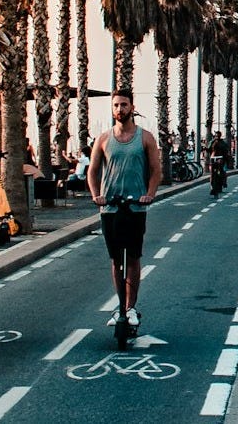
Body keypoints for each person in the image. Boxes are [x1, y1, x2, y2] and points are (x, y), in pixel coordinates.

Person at [87, 90, 162, 328]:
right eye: (116, 105)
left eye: (123, 105)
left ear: (132, 107)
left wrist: (149, 195)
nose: (119, 109)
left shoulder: (145, 137)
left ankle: (130, 308)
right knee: (115, 258)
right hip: (109, 208)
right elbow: (93, 171)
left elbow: (155, 171)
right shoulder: (103, 139)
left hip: (135, 208)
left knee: (133, 258)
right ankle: (119, 306)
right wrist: (96, 195)